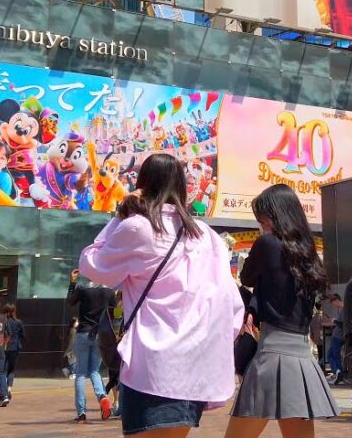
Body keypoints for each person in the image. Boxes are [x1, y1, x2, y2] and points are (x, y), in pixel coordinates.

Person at [79, 153, 244, 437]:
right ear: (182, 186)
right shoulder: (207, 236)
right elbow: (232, 306)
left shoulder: (138, 227)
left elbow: (91, 264)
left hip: (151, 368)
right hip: (194, 370)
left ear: (142, 185)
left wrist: (120, 216)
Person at [226, 184, 339, 437]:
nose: (261, 223)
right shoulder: (307, 253)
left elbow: (247, 277)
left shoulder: (267, 243)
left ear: (273, 215)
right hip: (302, 357)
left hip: (271, 354)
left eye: (262, 218)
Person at [66, 268, 117, 422]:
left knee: (81, 373)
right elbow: (113, 313)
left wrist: (72, 282)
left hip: (83, 333)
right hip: (100, 335)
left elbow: (70, 302)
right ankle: (102, 397)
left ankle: (81, 413)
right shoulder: (109, 291)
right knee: (95, 370)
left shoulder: (83, 290)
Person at [3, 304, 25, 392]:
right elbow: (23, 334)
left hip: (3, 347)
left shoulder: (2, 321)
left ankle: (3, 388)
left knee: (3, 369)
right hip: (15, 347)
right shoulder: (18, 322)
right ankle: (9, 388)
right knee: (11, 369)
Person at [324, 295, 345, 384]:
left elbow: (343, 324)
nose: (333, 306)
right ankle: (337, 373)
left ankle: (338, 372)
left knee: (333, 355)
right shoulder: (343, 309)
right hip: (338, 335)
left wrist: (334, 321)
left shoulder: (344, 309)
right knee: (333, 354)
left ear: (336, 300)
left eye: (333, 303)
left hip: (338, 336)